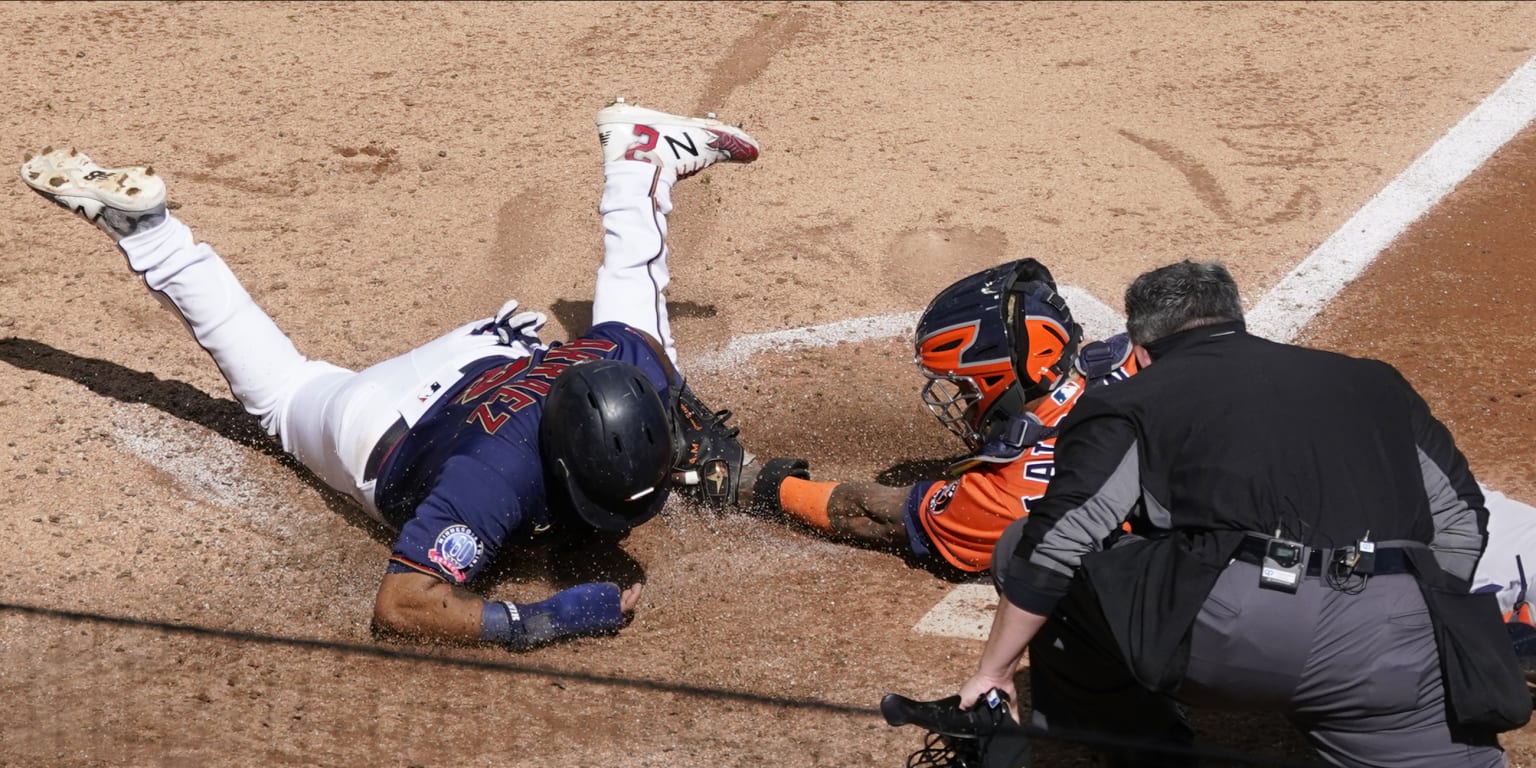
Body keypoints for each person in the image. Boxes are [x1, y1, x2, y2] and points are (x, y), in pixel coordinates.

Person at [19, 101, 787, 650]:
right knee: (281, 395)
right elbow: (404, 604)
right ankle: (151, 235)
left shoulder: (627, 359)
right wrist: (544, 620)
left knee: (643, 320)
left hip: (477, 358)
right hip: (376, 424)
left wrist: (704, 449)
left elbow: (653, 363)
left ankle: (639, 152)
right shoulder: (488, 486)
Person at [953, 260, 1529, 766]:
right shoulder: (1375, 381)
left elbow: (1062, 539)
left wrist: (994, 671)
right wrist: (1424, 623)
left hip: (1236, 635)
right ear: (1238, 321)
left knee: (1023, 540)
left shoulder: (1131, 399)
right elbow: (1459, 517)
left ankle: (1151, 752)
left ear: (1143, 349)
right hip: (1391, 641)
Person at [745, 258, 1138, 577]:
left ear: (1006, 379)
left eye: (969, 389)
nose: (965, 405)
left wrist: (767, 486)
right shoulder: (1137, 359)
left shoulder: (1002, 495)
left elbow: (873, 515)